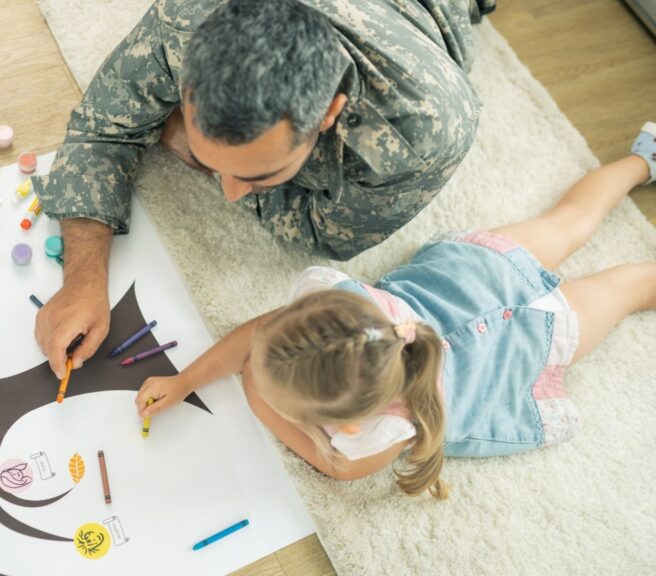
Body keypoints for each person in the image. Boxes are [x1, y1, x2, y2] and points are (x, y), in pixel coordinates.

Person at [135, 125, 656, 499]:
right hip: (478, 272)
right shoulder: (334, 303)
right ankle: (643, 159)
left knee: (630, 285)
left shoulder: (386, 432)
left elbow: (334, 466)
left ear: (351, 425)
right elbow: (260, 334)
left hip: (528, 345)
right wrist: (185, 381)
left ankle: (643, 162)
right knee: (575, 222)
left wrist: (255, 396)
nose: (250, 361)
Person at [32, 0, 492, 380]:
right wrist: (83, 280)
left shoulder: (421, 135)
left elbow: (322, 235)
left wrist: (178, 139)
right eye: (208, 157)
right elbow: (102, 127)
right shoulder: (191, 17)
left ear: (329, 112)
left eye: (257, 175)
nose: (229, 194)